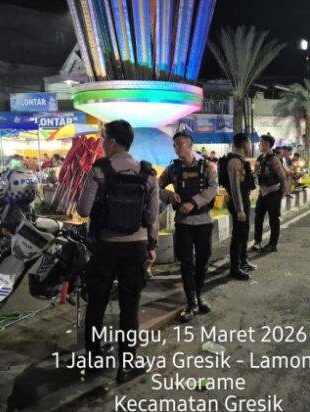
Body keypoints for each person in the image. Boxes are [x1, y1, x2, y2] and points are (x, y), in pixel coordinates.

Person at [77, 119, 159, 384]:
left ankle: (93, 360)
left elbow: (83, 210)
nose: (102, 144)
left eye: (104, 139)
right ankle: (126, 366)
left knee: (97, 303)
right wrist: (152, 246)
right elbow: (153, 217)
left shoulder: (99, 170)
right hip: (136, 248)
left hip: (105, 247)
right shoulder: (148, 175)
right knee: (130, 307)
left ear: (112, 142)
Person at [158, 132, 218, 323]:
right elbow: (156, 187)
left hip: (203, 221)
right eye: (175, 145)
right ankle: (191, 302)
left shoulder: (206, 166)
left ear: (190, 145)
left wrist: (193, 202)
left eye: (181, 144)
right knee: (186, 263)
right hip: (183, 223)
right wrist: (169, 195)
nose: (177, 148)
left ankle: (198, 295)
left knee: (203, 260)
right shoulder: (172, 169)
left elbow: (213, 188)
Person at [222, 133, 256, 280]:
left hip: (243, 200)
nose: (250, 145)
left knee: (244, 232)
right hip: (238, 203)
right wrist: (240, 210)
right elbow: (235, 188)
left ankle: (243, 260)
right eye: (249, 142)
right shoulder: (235, 162)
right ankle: (234, 268)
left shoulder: (240, 160)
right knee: (238, 234)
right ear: (244, 144)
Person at [252, 134, 288, 254]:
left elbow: (282, 176)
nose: (259, 144)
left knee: (274, 219)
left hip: (273, 193)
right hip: (262, 193)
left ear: (267, 145)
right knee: (258, 218)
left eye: (261, 142)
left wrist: (283, 191)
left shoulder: (274, 159)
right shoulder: (260, 158)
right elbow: (255, 173)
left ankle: (273, 244)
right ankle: (257, 242)